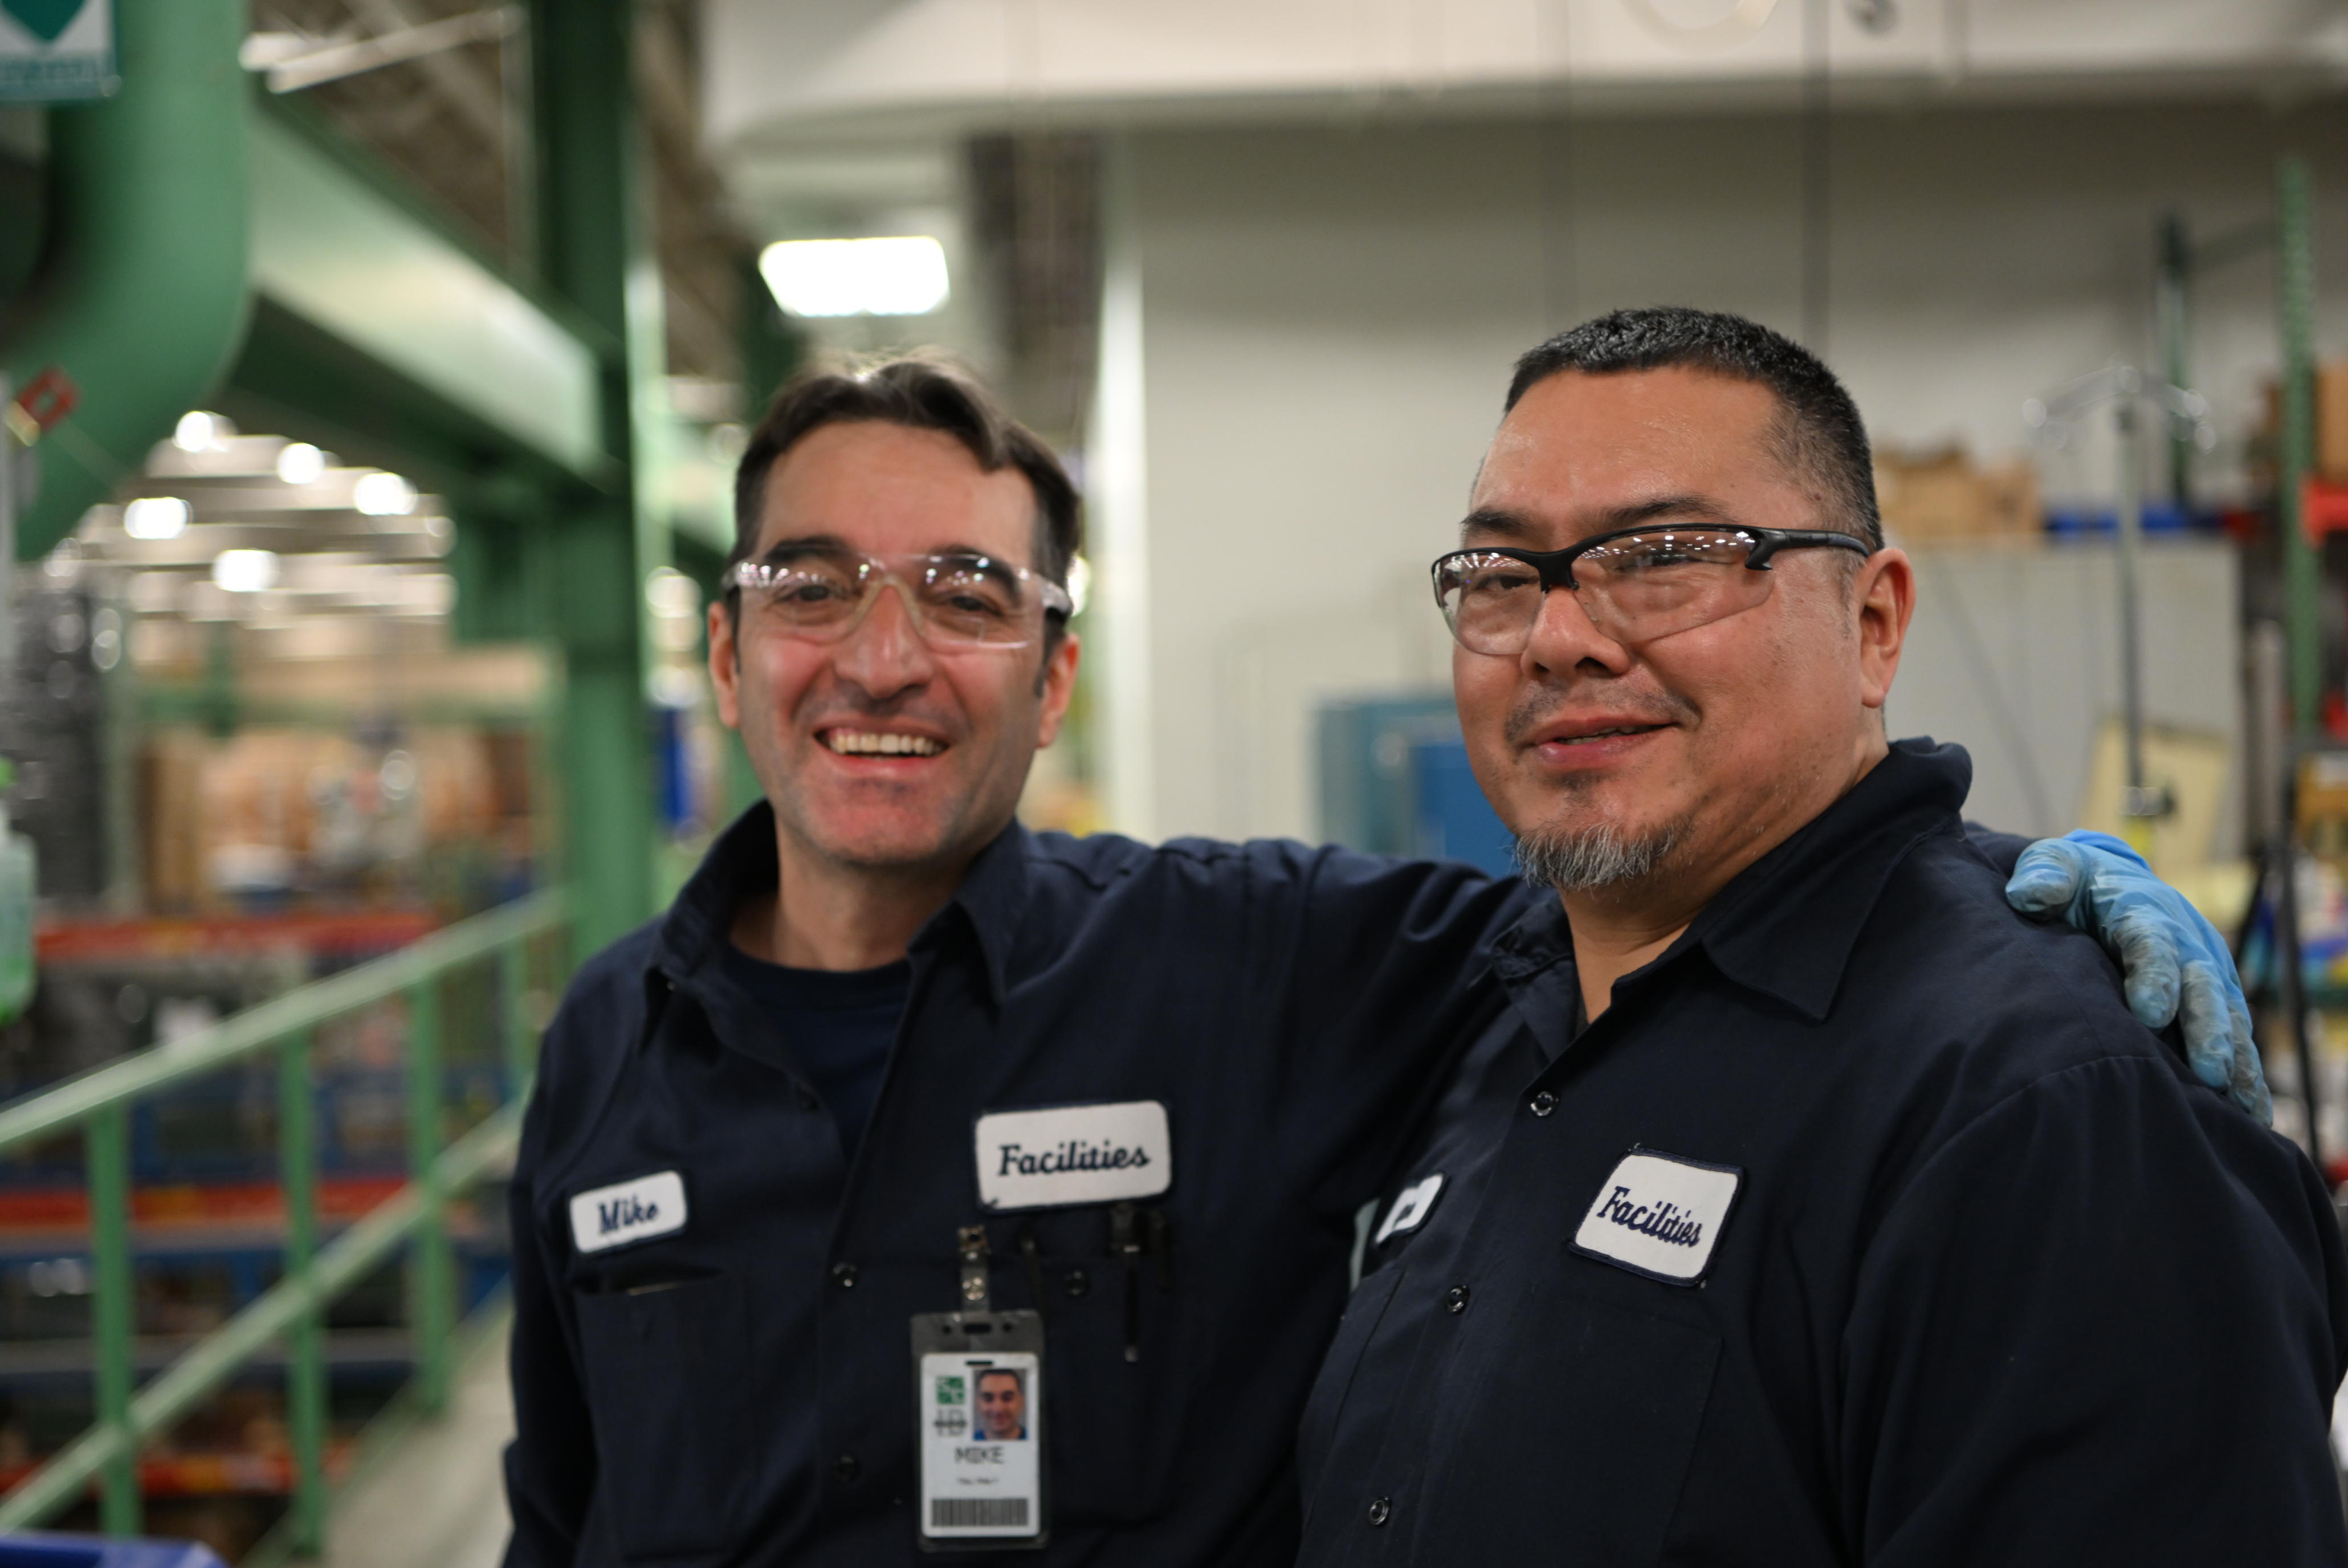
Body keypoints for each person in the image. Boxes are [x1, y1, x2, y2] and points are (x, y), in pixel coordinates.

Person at [500, 356, 2256, 1567]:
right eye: (811, 587)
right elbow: (557, 1511)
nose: (879, 657)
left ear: (1051, 679)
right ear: (727, 654)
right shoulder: (600, 1058)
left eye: (965, 593)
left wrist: (1981, 874)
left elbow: (1663, 895)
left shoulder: (1246, 964)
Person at [1296, 308, 2345, 1566]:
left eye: (1666, 554)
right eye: (1503, 576)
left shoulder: (2043, 1107)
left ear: (1873, 624)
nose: (1559, 636)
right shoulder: (1498, 1020)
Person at [973, 1369, 1028, 1442]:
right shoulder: (965, 1443)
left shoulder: (1038, 1439)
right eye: (988, 1399)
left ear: (1021, 1402)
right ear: (979, 1404)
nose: (998, 1409)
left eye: (1007, 1398)